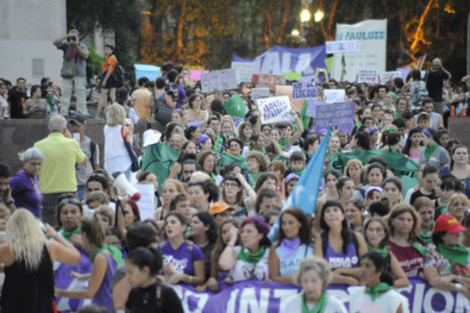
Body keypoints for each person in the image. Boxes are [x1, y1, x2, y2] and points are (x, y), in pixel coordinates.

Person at [0, 210, 81, 312]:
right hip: (43, 305)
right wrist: (56, 236)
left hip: (14, 306)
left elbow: (21, 269)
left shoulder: (8, 249)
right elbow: (76, 258)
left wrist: (8, 269)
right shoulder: (50, 247)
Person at [55, 214, 123, 311]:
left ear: (84, 235)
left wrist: (60, 292)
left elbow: (89, 293)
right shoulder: (106, 251)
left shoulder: (100, 257)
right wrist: (82, 277)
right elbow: (103, 275)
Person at [34, 115, 87, 226]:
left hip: (47, 190)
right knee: (70, 223)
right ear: (64, 129)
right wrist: (72, 140)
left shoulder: (38, 145)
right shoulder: (72, 143)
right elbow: (84, 161)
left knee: (49, 225)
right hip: (69, 190)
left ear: (49, 128)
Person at [314, 200, 367, 285]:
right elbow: (320, 272)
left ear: (343, 216)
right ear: (324, 218)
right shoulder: (319, 240)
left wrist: (340, 270)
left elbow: (366, 269)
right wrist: (346, 279)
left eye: (335, 210)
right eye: (327, 211)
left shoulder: (358, 237)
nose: (332, 214)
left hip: (355, 291)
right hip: (330, 292)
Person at [124, 247, 183, 313]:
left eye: (130, 272)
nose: (128, 277)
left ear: (145, 270)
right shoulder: (134, 294)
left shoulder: (167, 294)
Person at [424, 214, 470, 297]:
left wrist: (454, 277)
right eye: (454, 232)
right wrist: (460, 287)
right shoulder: (432, 253)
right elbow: (434, 280)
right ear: (442, 236)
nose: (458, 235)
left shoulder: (466, 252)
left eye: (458, 231)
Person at [281, 256, 347, 313]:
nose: (309, 285)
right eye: (305, 281)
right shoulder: (290, 304)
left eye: (314, 281)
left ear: (323, 280)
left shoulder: (335, 306)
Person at [219, 216, 271, 281]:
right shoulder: (237, 250)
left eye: (249, 231)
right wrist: (233, 239)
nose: (244, 235)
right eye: (242, 232)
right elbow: (224, 265)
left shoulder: (269, 252)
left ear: (260, 235)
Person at [159, 212, 205, 286]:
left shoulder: (194, 250)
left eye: (173, 222)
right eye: (166, 223)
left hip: (185, 294)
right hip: (163, 292)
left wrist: (182, 277)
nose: (169, 225)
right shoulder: (159, 248)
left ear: (183, 227)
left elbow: (201, 280)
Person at [269, 208, 313, 283]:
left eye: (291, 223)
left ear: (300, 224)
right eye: (284, 223)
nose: (286, 227)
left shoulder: (312, 246)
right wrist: (299, 279)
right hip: (286, 293)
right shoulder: (276, 247)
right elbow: (274, 278)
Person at [363, 217, 409, 288]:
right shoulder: (361, 250)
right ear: (365, 232)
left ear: (384, 234)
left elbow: (404, 280)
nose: (374, 233)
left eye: (378, 230)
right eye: (371, 230)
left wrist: (383, 287)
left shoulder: (387, 253)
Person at [53, 29, 89, 116]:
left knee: (80, 93)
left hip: (79, 72)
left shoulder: (82, 46)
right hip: (67, 72)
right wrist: (66, 36)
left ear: (79, 37)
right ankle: (64, 112)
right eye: (72, 36)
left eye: (74, 36)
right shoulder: (66, 45)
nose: (72, 38)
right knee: (65, 93)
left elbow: (85, 55)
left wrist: (76, 46)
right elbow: (55, 42)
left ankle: (82, 112)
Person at [387, 204, 426, 277]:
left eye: (409, 220)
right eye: (401, 219)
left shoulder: (419, 243)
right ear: (392, 221)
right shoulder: (385, 245)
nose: (405, 223)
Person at [69, 114, 100, 200]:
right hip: (70, 184)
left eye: (77, 125)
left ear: (84, 126)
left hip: (85, 184)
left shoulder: (92, 144)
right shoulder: (66, 143)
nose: (74, 128)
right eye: (72, 125)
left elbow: (96, 166)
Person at [9, 148, 44, 218]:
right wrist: (13, 209)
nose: (37, 167)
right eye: (33, 164)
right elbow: (4, 193)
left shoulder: (33, 176)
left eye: (39, 164)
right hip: (23, 222)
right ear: (25, 163)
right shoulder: (20, 178)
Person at [104, 104, 133, 177]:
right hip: (123, 161)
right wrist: (130, 131)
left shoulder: (106, 128)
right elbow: (130, 143)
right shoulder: (123, 129)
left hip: (109, 162)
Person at [189, 212, 218, 280]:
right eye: (191, 223)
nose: (191, 225)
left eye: (195, 223)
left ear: (207, 227)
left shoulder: (216, 247)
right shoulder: (186, 245)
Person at [96, 44, 119, 118]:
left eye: (108, 49)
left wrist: (105, 80)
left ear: (112, 50)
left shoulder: (110, 59)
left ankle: (97, 115)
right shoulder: (114, 58)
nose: (106, 51)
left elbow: (109, 70)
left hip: (108, 77)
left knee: (102, 97)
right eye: (105, 49)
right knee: (112, 97)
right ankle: (117, 112)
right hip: (113, 78)